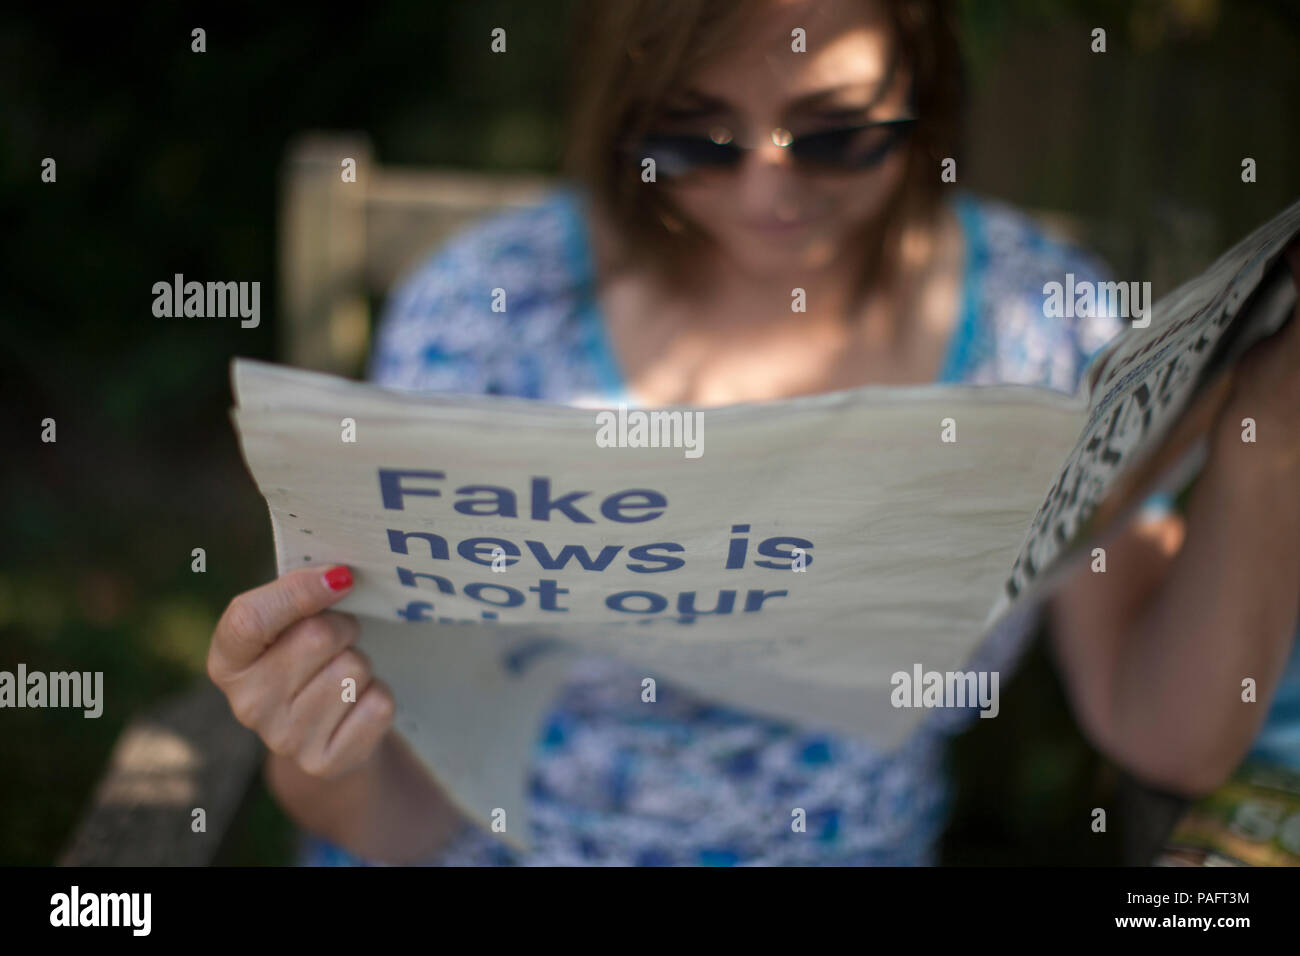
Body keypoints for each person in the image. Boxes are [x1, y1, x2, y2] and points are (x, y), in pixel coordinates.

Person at [206, 0, 1300, 865]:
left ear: (926, 79)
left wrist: (1262, 454)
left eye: (836, 133)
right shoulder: (490, 310)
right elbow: (390, 821)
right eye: (694, 136)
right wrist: (311, 735)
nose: (770, 189)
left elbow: (1164, 727)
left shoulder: (1040, 318)